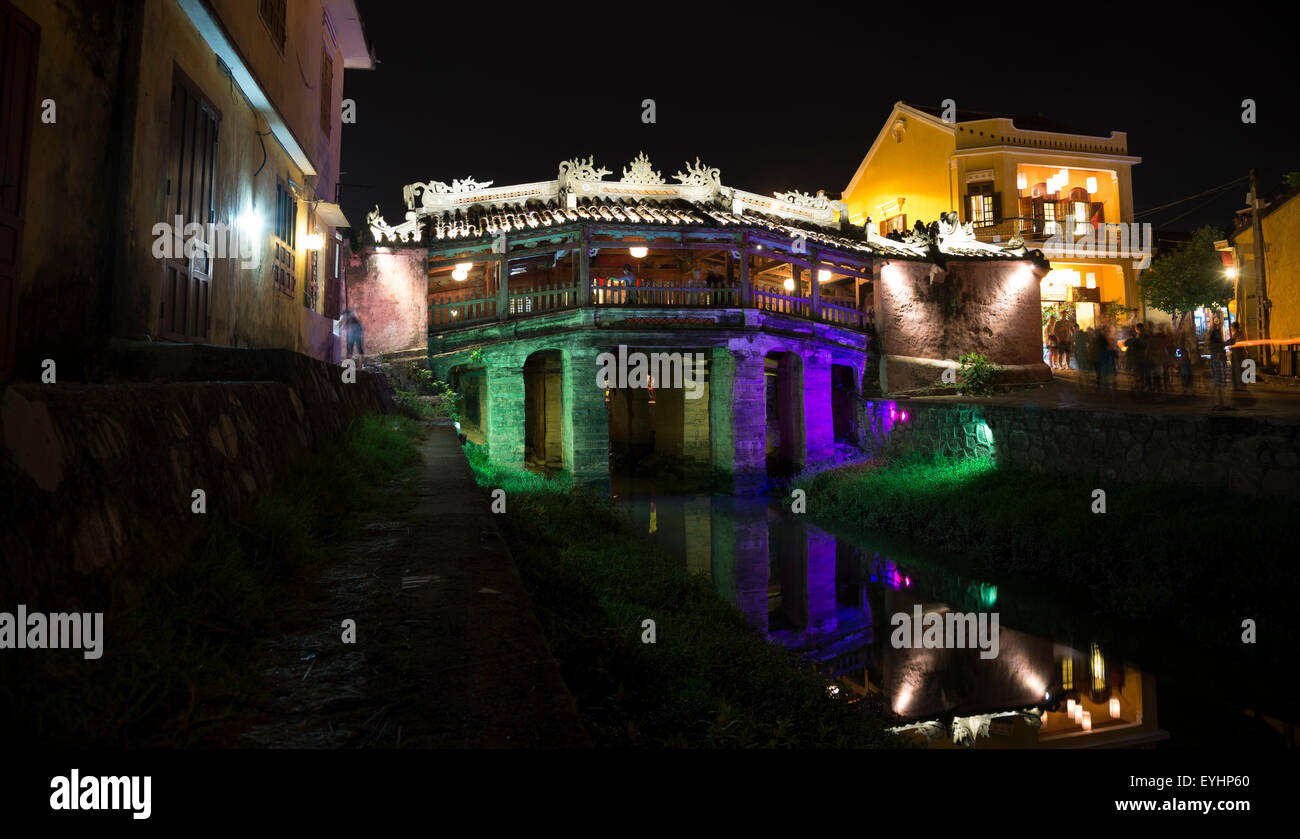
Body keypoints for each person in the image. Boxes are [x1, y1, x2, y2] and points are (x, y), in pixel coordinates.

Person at [1208, 314, 1231, 410]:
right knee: (1219, 384)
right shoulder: (1214, 339)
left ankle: (1218, 403)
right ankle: (1219, 404)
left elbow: (1218, 345)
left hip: (1218, 361)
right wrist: (1227, 343)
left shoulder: (1214, 337)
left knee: (1218, 383)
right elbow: (1217, 346)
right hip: (1218, 361)